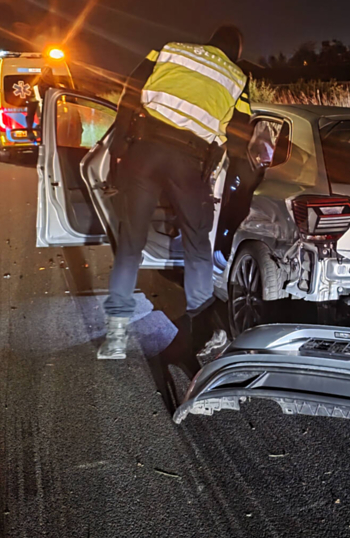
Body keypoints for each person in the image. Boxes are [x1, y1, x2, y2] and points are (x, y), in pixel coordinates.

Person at [98, 25, 252, 361]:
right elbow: (240, 134)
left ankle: (115, 338)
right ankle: (201, 332)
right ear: (236, 52)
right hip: (188, 161)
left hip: (144, 153)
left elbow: (129, 93)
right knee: (197, 246)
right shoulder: (238, 78)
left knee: (130, 245)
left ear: (210, 40)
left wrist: (118, 150)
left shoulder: (169, 49)